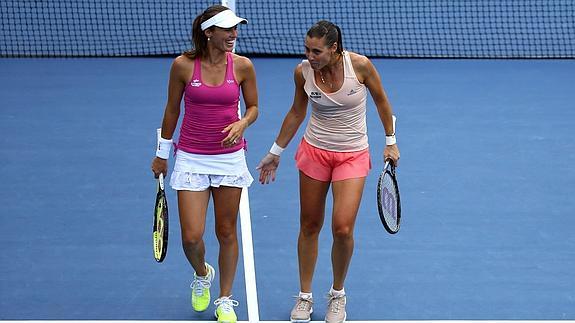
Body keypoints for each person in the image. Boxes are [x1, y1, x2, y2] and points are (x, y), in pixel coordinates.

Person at [257, 20, 400, 323]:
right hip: (314, 152)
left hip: (352, 155)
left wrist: (390, 141)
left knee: (343, 228)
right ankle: (305, 296)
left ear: (334, 48)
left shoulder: (360, 66)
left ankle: (337, 294)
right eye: (307, 50)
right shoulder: (302, 72)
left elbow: (382, 102)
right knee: (309, 225)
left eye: (317, 51)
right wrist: (275, 151)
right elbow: (297, 112)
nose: (310, 56)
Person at [150, 5, 258, 323]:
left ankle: (225, 299)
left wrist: (243, 124)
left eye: (236, 29)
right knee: (191, 237)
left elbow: (253, 107)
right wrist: (162, 153)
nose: (234, 35)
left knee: (226, 231)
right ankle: (202, 273)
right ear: (208, 32)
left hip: (229, 159)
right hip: (192, 158)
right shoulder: (183, 66)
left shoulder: (243, 66)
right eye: (227, 29)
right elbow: (172, 110)